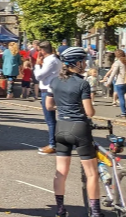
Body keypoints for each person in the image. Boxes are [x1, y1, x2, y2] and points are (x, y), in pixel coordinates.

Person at [44, 47, 101, 217]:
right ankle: (96, 212)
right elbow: (89, 112)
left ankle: (60, 210)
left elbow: (48, 106)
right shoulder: (83, 84)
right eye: (82, 61)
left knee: (61, 172)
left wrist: (62, 107)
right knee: (91, 173)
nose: (84, 64)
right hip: (79, 128)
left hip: (61, 127)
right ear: (75, 63)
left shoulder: (54, 82)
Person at [34, 41, 62, 155]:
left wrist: (37, 64)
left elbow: (39, 76)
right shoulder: (54, 59)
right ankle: (54, 143)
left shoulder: (50, 61)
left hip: (48, 90)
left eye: (39, 50)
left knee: (50, 120)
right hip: (51, 89)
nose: (38, 53)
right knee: (52, 120)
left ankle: (52, 144)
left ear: (43, 50)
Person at [102, 49, 126, 118]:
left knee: (121, 98)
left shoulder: (117, 63)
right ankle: (124, 111)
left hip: (120, 82)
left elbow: (113, 74)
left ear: (116, 55)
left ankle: (123, 113)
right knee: (125, 96)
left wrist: (108, 82)